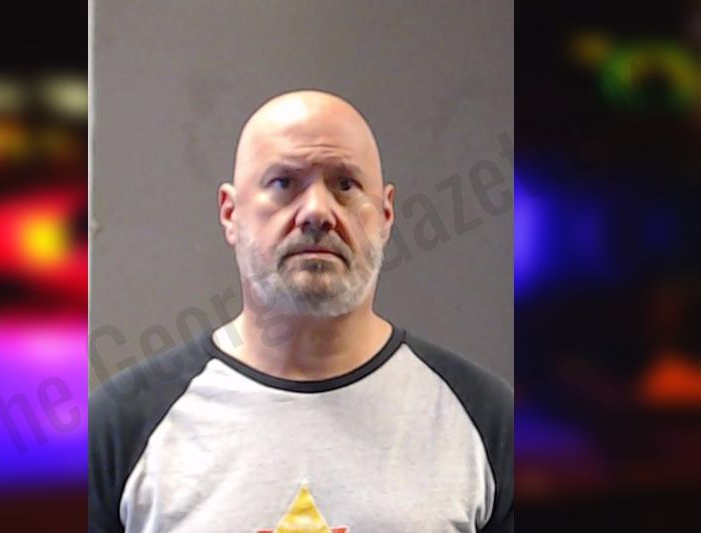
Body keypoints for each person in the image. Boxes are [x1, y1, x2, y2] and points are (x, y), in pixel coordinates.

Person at [89, 90, 513, 532]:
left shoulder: (486, 421)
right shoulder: (122, 430)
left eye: (345, 185)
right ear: (230, 214)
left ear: (386, 215)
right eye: (283, 183)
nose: (316, 212)